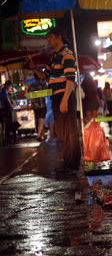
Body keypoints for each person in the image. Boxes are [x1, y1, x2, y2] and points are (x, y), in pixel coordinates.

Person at [31, 27, 81, 172]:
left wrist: (65, 100)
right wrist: (35, 68)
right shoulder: (54, 57)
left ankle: (73, 165)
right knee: (62, 131)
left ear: (59, 37)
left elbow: (70, 79)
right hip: (56, 97)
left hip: (65, 96)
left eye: (50, 37)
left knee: (70, 131)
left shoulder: (67, 54)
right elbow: (45, 76)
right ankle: (67, 163)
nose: (49, 40)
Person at [28, 73, 48, 141]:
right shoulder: (42, 85)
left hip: (35, 107)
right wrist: (44, 80)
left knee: (39, 121)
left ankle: (43, 134)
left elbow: (28, 97)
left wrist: (28, 106)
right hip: (42, 106)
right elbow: (48, 91)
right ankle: (38, 135)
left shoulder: (31, 86)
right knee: (40, 121)